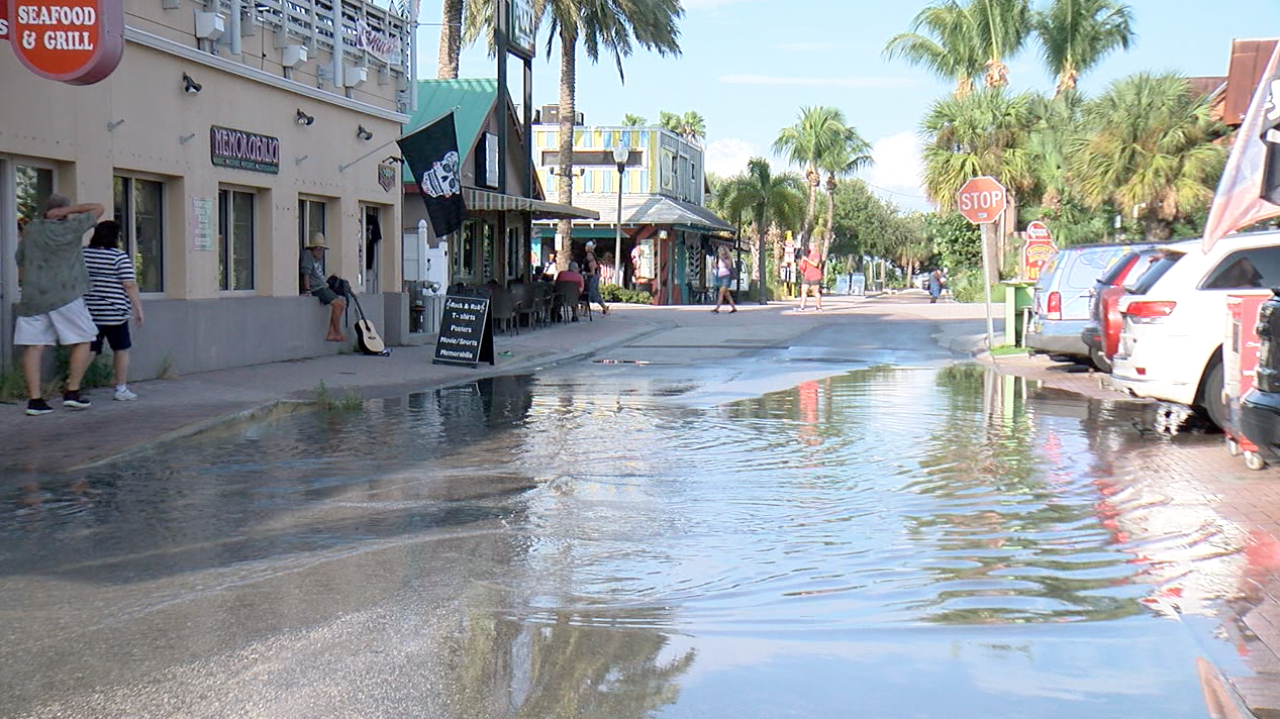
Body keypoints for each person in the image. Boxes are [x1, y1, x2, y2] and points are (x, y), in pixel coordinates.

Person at [14, 194, 105, 416]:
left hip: (33, 295)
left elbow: (20, 260)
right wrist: (68, 212)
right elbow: (98, 207)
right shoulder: (71, 229)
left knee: (34, 345)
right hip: (67, 293)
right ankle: (72, 391)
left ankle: (35, 400)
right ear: (64, 212)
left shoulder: (32, 229)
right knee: (85, 338)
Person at [83, 220, 144, 401]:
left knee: (89, 349)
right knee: (121, 349)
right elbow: (129, 285)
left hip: (88, 310)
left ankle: (73, 385)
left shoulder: (82, 254)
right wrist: (138, 309)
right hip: (114, 312)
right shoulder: (118, 257)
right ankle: (121, 388)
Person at [299, 232, 347, 342]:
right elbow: (305, 273)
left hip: (323, 287)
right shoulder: (308, 255)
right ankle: (337, 333)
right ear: (313, 248)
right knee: (338, 304)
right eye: (319, 249)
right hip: (317, 288)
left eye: (322, 249)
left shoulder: (317, 259)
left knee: (341, 303)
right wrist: (307, 290)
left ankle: (331, 333)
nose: (321, 252)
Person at [583, 240, 609, 315]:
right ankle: (586, 310)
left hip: (592, 278)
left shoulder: (590, 258)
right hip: (594, 277)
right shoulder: (593, 255)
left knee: (592, 293)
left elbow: (592, 270)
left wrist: (585, 273)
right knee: (591, 293)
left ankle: (603, 307)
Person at [711, 246, 738, 314]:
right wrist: (714, 265)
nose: (720, 252)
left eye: (721, 250)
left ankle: (717, 308)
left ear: (725, 251)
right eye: (719, 250)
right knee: (727, 294)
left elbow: (729, 266)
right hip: (720, 277)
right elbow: (719, 268)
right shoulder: (719, 259)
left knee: (721, 292)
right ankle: (733, 308)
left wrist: (723, 259)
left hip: (726, 277)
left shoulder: (727, 258)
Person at [797, 247, 825, 312]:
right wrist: (802, 263)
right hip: (807, 275)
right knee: (803, 290)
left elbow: (815, 264)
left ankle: (818, 307)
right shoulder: (808, 255)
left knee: (815, 292)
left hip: (814, 275)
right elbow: (803, 267)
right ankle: (802, 307)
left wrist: (807, 260)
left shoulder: (816, 255)